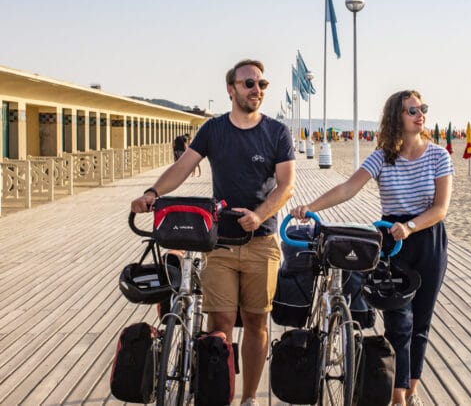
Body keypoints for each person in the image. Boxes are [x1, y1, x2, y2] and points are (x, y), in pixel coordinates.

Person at [132, 59, 295, 406]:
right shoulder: (213, 130)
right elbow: (182, 168)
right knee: (219, 324)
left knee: (255, 324)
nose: (257, 90)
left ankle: (250, 397)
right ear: (231, 89)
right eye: (249, 84)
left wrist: (260, 213)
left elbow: (286, 186)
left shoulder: (277, 132)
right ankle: (217, 393)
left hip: (261, 240)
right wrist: (152, 194)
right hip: (218, 241)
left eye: (262, 84)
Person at [290, 90, 453, 406]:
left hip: (428, 239)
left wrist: (411, 226)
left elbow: (440, 208)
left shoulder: (438, 156)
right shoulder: (382, 156)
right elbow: (348, 188)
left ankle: (409, 391)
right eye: (412, 110)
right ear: (397, 117)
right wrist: (310, 206)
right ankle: (398, 395)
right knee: (397, 321)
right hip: (392, 242)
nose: (420, 115)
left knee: (420, 321)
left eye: (423, 109)